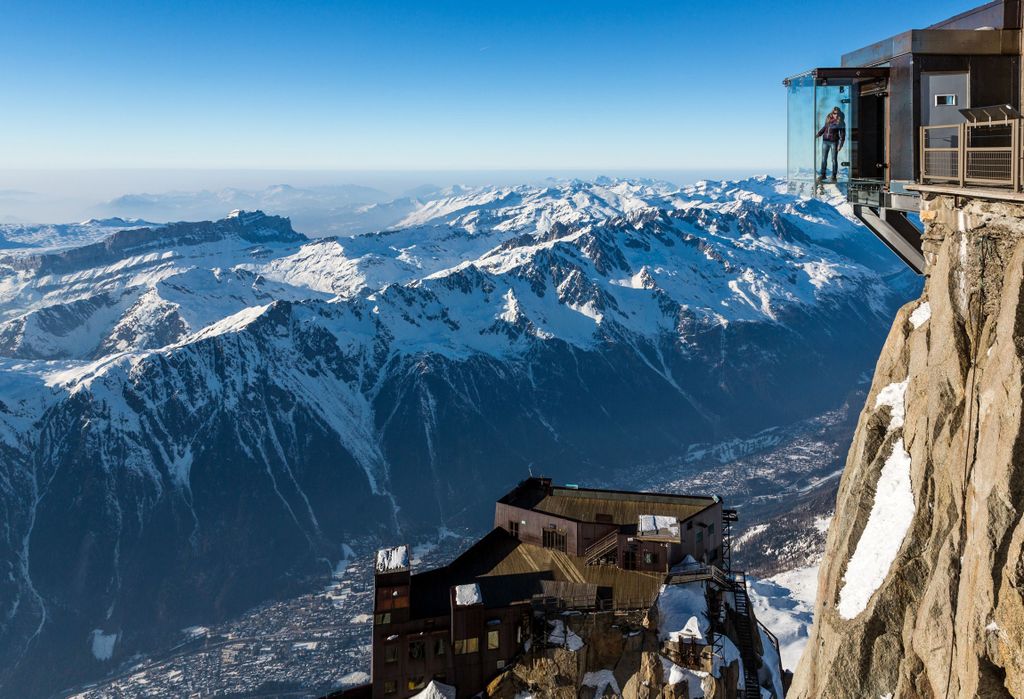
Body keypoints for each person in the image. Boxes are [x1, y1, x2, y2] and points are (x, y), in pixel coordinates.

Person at [816, 107, 846, 182]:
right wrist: (818, 134)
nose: (836, 115)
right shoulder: (828, 119)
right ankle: (823, 175)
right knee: (823, 159)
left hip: (834, 142)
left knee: (834, 159)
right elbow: (824, 128)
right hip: (825, 141)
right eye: (834, 113)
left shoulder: (841, 122)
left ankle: (834, 176)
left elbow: (842, 135)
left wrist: (840, 145)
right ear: (832, 113)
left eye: (837, 113)